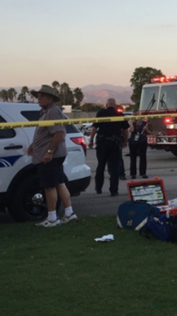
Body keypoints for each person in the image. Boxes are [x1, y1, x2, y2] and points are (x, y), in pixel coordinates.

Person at [28, 85, 79, 227]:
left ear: (51, 98)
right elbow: (46, 132)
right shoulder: (45, 112)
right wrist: (34, 145)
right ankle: (69, 213)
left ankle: (52, 218)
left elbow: (58, 133)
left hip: (51, 156)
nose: (39, 98)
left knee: (49, 186)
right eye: (38, 96)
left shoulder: (52, 112)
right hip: (51, 154)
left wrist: (49, 152)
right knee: (59, 183)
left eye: (42, 96)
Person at [89, 98, 129, 197]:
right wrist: (125, 141)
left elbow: (94, 128)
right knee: (114, 168)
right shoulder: (120, 114)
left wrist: (91, 141)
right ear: (115, 105)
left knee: (101, 166)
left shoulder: (101, 112)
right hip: (114, 143)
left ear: (106, 104)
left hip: (102, 144)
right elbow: (125, 131)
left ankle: (98, 188)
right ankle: (114, 190)